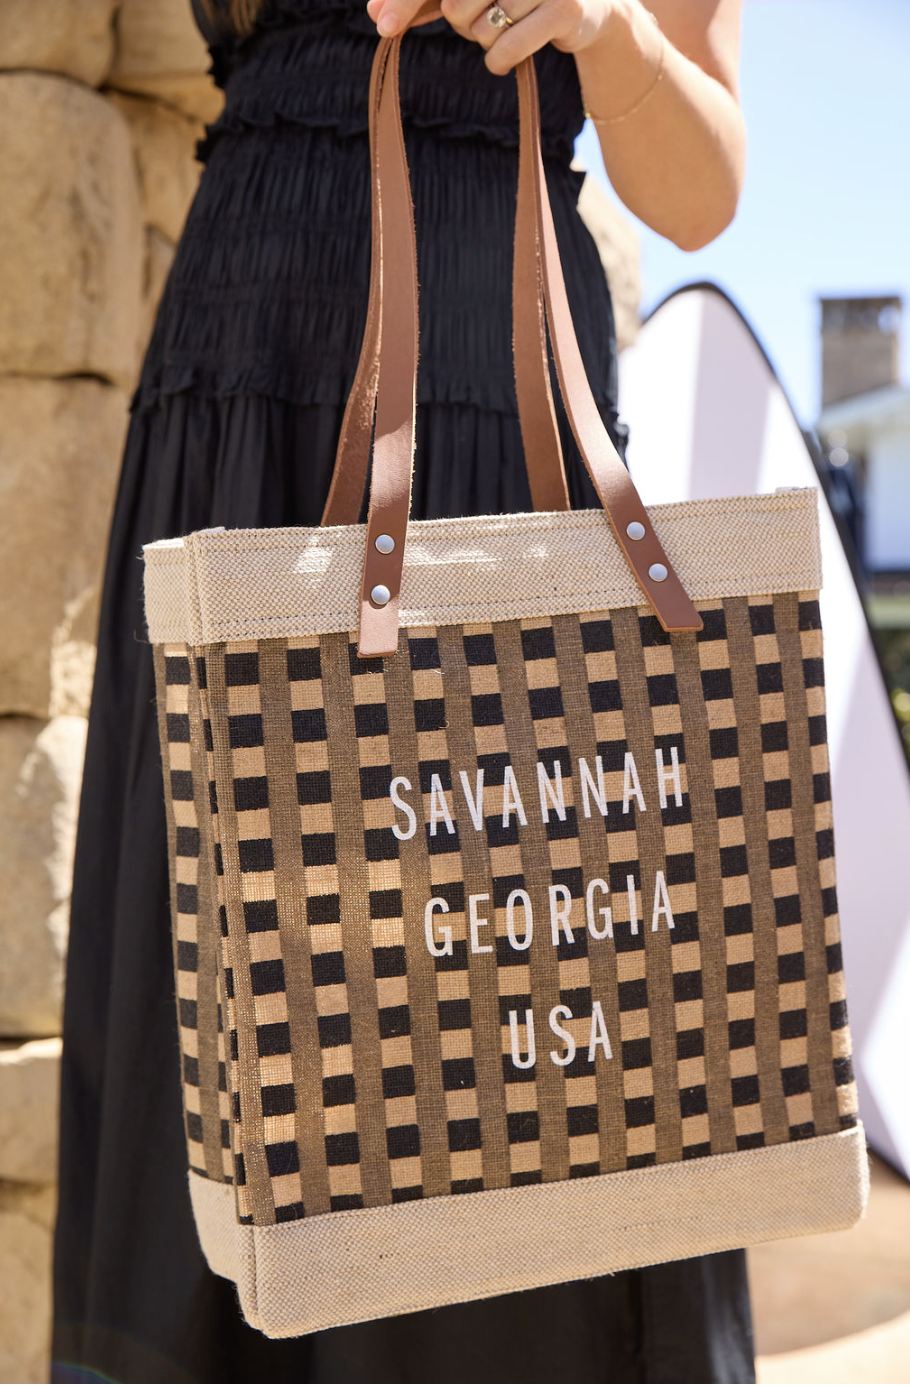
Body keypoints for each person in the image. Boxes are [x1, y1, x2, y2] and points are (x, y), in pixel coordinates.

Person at [52, 0, 749, 1380]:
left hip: (499, 362)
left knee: (508, 968)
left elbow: (700, 190)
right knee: (233, 988)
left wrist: (600, 24)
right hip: (249, 359)